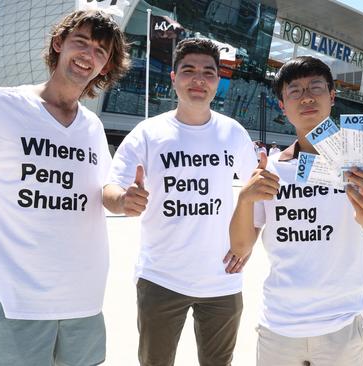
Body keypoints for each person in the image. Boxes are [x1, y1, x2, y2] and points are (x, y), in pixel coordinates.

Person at [0, 10, 129, 365]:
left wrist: (125, 200)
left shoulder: (91, 126)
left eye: (101, 51)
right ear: (59, 44)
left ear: (105, 67)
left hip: (84, 304)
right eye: (82, 42)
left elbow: (101, 191)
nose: (89, 55)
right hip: (17, 303)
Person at [227, 56, 363, 365]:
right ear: (282, 105)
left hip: (341, 322)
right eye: (294, 90)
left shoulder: (360, 163)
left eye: (315, 87)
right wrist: (244, 200)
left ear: (332, 96)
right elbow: (240, 247)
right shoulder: (270, 170)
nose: (306, 97)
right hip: (280, 324)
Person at [103, 38, 257, 366]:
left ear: (218, 81)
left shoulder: (233, 133)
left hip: (221, 280)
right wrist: (123, 201)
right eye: (188, 71)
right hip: (161, 277)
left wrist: (248, 243)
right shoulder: (148, 133)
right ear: (173, 77)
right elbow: (111, 189)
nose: (198, 79)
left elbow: (258, 193)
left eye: (208, 72)